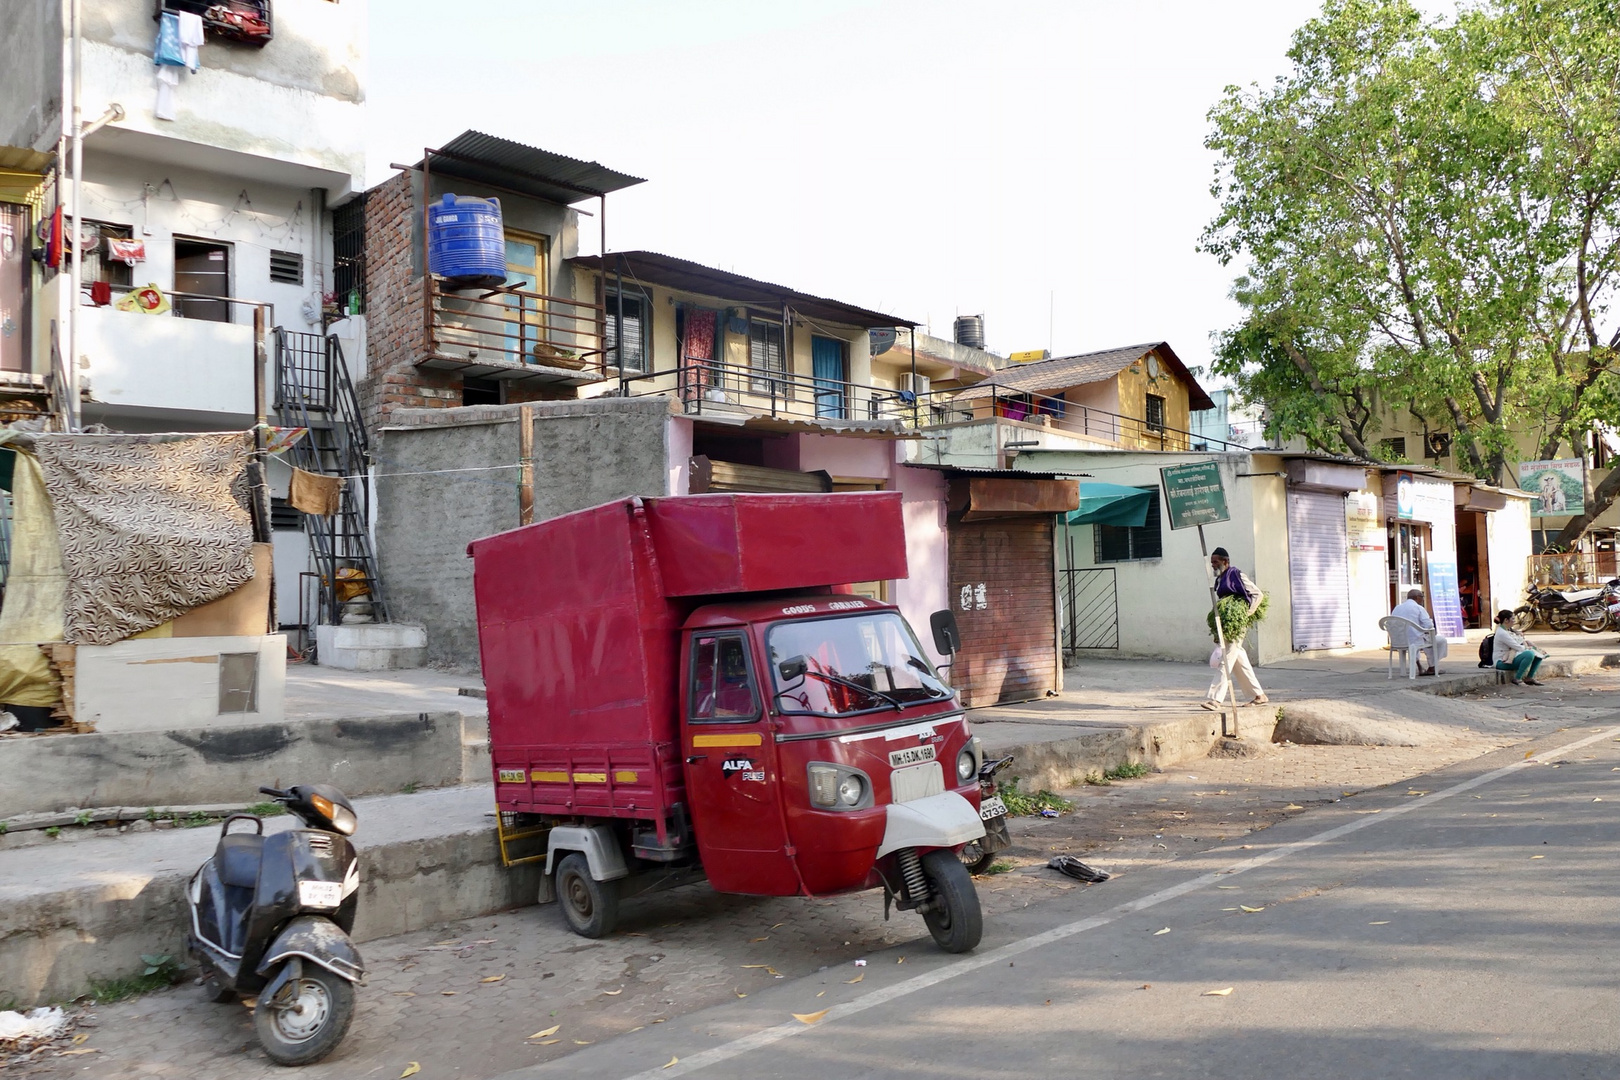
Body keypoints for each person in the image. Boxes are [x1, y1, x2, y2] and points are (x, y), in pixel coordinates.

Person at [1203, 547, 1268, 709]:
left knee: (1227, 658)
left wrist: (1246, 614)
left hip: (1237, 623)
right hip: (1227, 623)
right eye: (1212, 563)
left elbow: (1257, 594)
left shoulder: (1236, 574)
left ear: (1225, 561)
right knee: (1238, 658)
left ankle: (1215, 699)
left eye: (1216, 562)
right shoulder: (1219, 580)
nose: (1213, 565)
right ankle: (1259, 695)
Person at [1388, 587, 1446, 675]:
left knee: (1421, 637)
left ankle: (1420, 666)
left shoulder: (1397, 608)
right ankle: (1432, 666)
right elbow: (1429, 625)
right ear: (1417, 597)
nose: (1423, 599)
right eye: (1422, 597)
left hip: (1398, 641)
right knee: (1440, 640)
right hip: (1415, 641)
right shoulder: (1418, 608)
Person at [1492, 609, 1545, 685]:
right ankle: (1518, 678)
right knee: (1529, 654)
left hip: (1512, 656)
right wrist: (1528, 648)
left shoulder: (1508, 630)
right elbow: (1516, 646)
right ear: (1506, 620)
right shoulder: (1502, 633)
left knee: (1539, 654)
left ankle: (1530, 677)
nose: (1514, 621)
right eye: (1512, 619)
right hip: (1501, 662)